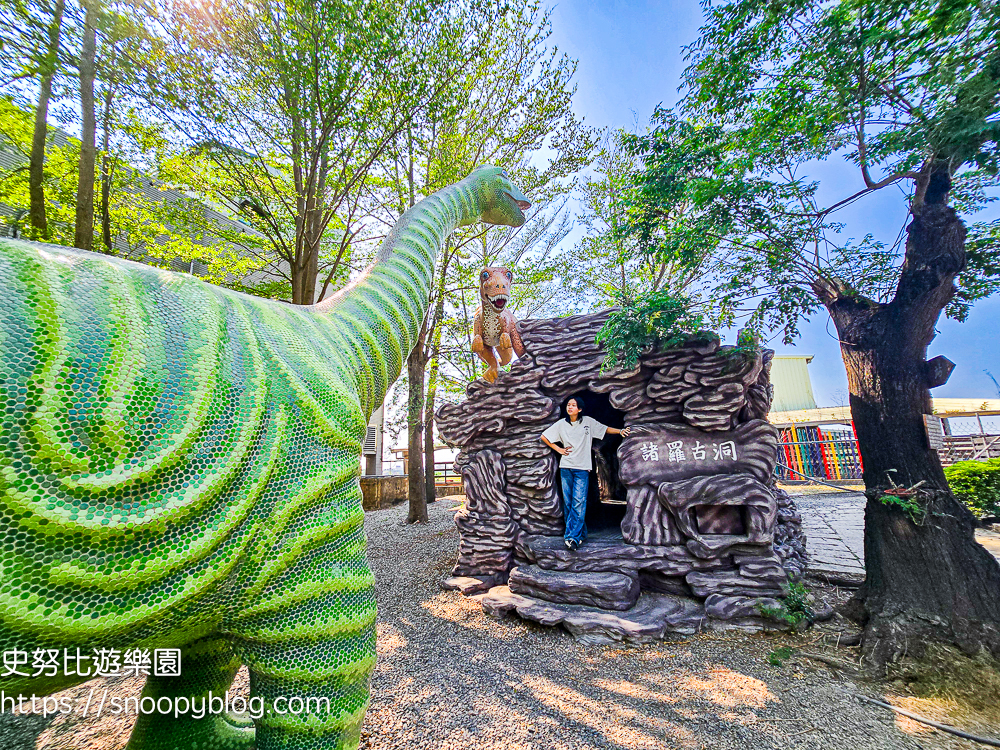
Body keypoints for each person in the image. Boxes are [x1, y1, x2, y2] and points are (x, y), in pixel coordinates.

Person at [540, 396, 631, 551]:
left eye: (573, 405)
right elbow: (544, 436)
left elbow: (604, 429)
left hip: (582, 468)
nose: (570, 407)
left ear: (580, 409)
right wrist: (559, 449)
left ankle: (571, 538)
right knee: (569, 503)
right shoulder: (561, 424)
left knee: (578, 502)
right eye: (568, 405)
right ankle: (580, 534)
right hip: (566, 468)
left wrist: (620, 431)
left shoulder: (588, 422)